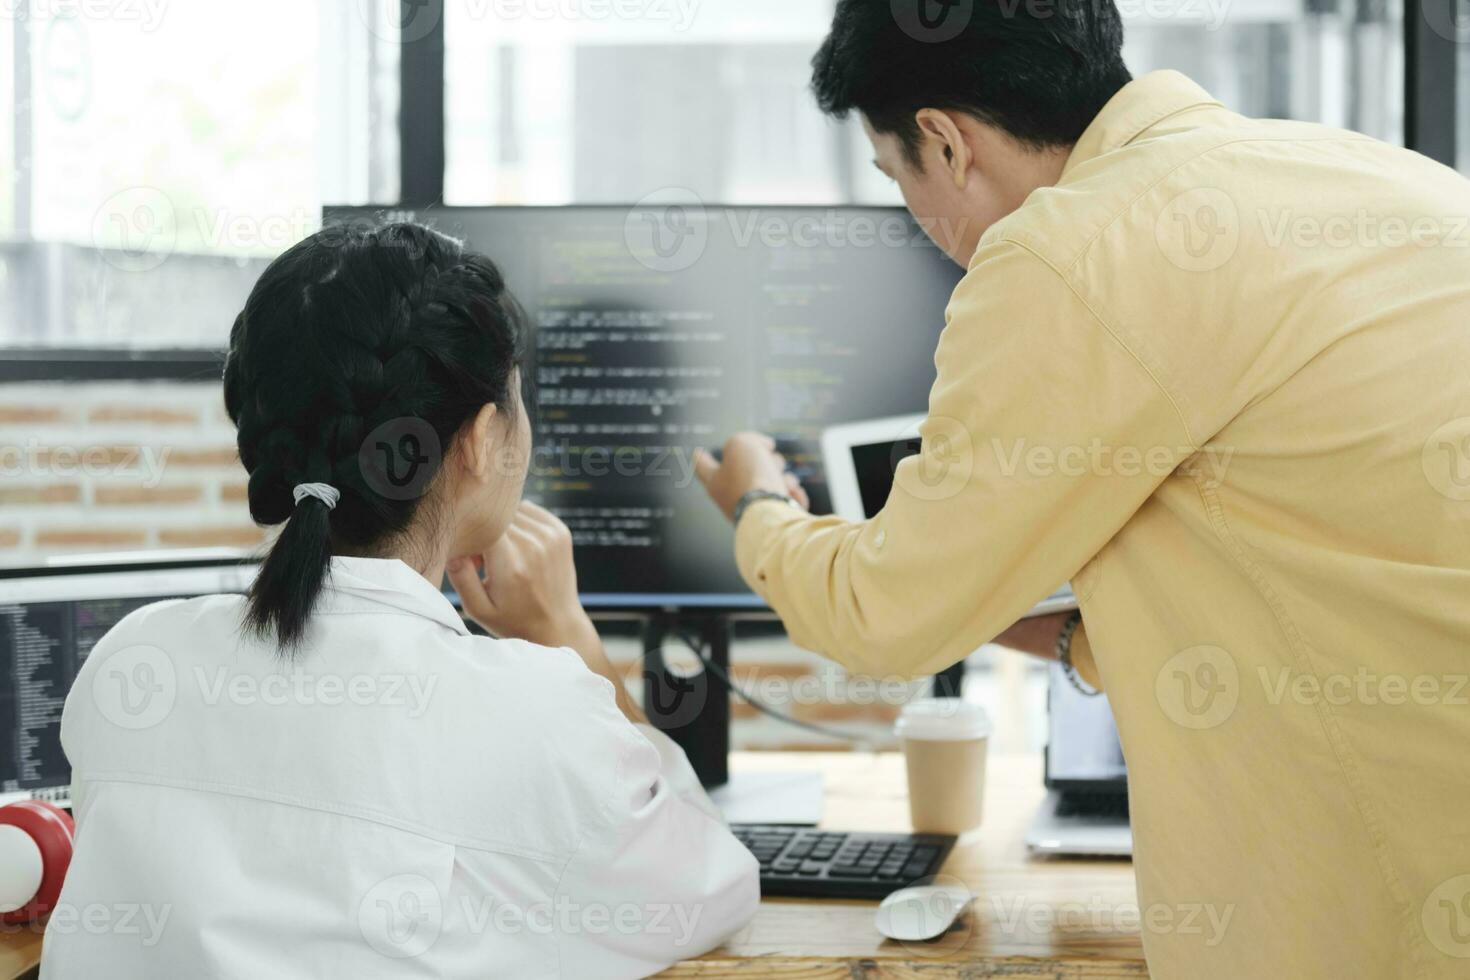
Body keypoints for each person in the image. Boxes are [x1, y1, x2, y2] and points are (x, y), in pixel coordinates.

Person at [693, 2, 1470, 978]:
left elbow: (885, 612)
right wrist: (1062, 633)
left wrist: (760, 508)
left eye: (899, 180)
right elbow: (1341, 557)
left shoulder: (1072, 249)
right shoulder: (1374, 176)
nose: (917, 222)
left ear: (944, 139)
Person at [43, 223, 758, 978]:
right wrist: (564, 633)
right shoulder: (533, 714)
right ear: (480, 440)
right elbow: (712, 885)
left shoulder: (131, 659)